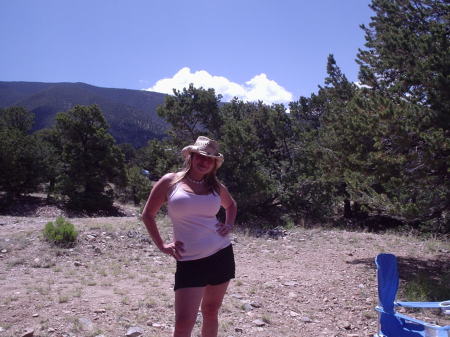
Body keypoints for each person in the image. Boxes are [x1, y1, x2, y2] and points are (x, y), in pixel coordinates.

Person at [142, 136, 237, 337]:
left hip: (221, 255)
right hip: (190, 261)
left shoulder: (215, 186)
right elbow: (148, 214)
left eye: (209, 159)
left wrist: (228, 224)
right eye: (200, 157)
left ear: (214, 164)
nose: (204, 162)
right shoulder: (170, 181)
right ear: (191, 157)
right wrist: (161, 245)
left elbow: (231, 205)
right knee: (184, 324)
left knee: (211, 312)